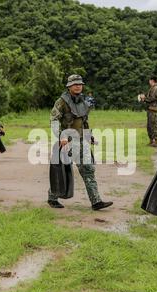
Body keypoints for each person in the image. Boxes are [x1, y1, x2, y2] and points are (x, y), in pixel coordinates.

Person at [48, 74, 113, 211]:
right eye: (75, 84)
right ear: (69, 86)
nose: (78, 86)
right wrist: (61, 137)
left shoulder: (83, 101)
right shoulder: (61, 101)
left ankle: (96, 201)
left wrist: (89, 136)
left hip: (82, 141)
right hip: (67, 142)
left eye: (80, 84)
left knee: (88, 169)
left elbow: (84, 121)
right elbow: (54, 120)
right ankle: (52, 197)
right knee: (63, 171)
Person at [140, 76, 157, 147]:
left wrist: (144, 98)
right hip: (150, 109)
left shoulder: (155, 88)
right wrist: (144, 97)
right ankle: (151, 141)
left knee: (153, 125)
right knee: (149, 126)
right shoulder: (152, 88)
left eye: (150, 80)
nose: (149, 81)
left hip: (153, 110)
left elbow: (152, 98)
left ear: (152, 80)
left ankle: (156, 141)